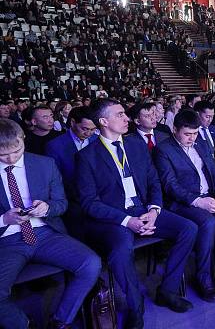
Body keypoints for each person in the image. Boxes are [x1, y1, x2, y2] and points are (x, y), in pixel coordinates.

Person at [75, 98, 197, 329]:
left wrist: (154, 210)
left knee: (188, 228)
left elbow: (153, 182)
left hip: (143, 209)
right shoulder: (86, 156)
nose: (127, 118)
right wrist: (127, 221)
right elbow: (89, 203)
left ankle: (167, 291)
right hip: (113, 218)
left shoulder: (136, 146)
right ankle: (135, 305)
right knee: (121, 250)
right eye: (120, 114)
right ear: (103, 121)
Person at [0, 118, 101, 329]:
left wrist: (47, 208)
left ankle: (60, 321)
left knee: (90, 263)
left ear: (23, 139)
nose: (11, 158)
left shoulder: (44, 164)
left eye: (17, 151)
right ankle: (25, 324)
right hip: (6, 241)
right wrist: (4, 219)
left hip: (45, 233)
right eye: (2, 155)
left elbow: (61, 203)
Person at [153, 111, 215, 303]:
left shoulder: (202, 143)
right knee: (208, 221)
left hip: (210, 196)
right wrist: (197, 202)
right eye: (187, 134)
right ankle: (203, 277)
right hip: (182, 202)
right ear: (175, 129)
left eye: (195, 133)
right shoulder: (163, 150)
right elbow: (170, 185)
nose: (192, 138)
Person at [45, 106, 98, 240]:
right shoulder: (55, 145)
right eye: (84, 129)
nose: (88, 133)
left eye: (93, 129)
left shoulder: (98, 140)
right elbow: (56, 179)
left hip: (100, 192)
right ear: (73, 122)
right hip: (73, 196)